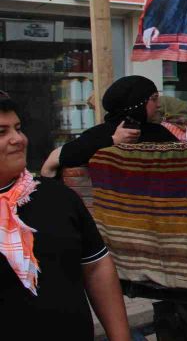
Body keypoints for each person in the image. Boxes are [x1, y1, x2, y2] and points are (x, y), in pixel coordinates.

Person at [0, 92, 130, 339]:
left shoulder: (58, 198)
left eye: (18, 128)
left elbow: (96, 267)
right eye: (1, 132)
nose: (18, 139)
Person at [42, 76, 176, 175]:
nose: (158, 104)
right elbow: (54, 160)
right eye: (153, 98)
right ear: (137, 102)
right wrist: (113, 141)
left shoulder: (160, 132)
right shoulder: (101, 135)